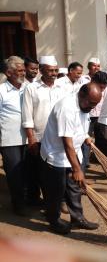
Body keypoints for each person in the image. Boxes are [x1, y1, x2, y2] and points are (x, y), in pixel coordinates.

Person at [40, 83, 101, 234]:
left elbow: (79, 126)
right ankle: (54, 221)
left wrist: (85, 136)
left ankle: (77, 218)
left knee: (74, 189)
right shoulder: (66, 108)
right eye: (91, 103)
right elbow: (67, 143)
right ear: (81, 95)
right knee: (57, 191)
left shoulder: (84, 105)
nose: (92, 108)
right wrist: (77, 169)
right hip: (56, 156)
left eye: (95, 105)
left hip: (73, 153)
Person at [22, 55, 61, 206]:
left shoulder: (61, 88)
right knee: (38, 171)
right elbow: (27, 115)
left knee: (55, 171)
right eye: (50, 70)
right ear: (42, 70)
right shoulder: (31, 88)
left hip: (58, 137)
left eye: (56, 70)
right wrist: (31, 138)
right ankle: (36, 200)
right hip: (39, 137)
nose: (54, 73)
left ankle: (55, 201)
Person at [0, 56, 28, 215]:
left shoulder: (28, 87)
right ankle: (18, 204)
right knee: (14, 173)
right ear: (9, 72)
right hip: (9, 139)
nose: (23, 73)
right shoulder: (1, 91)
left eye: (24, 70)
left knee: (28, 171)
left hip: (29, 137)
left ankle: (30, 199)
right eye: (20, 70)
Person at [80, 71, 107, 172]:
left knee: (100, 141)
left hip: (100, 116)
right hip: (85, 119)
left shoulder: (104, 89)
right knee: (84, 145)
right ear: (92, 81)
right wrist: (84, 134)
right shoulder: (83, 90)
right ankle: (83, 169)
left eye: (103, 88)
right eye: (100, 87)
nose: (101, 90)